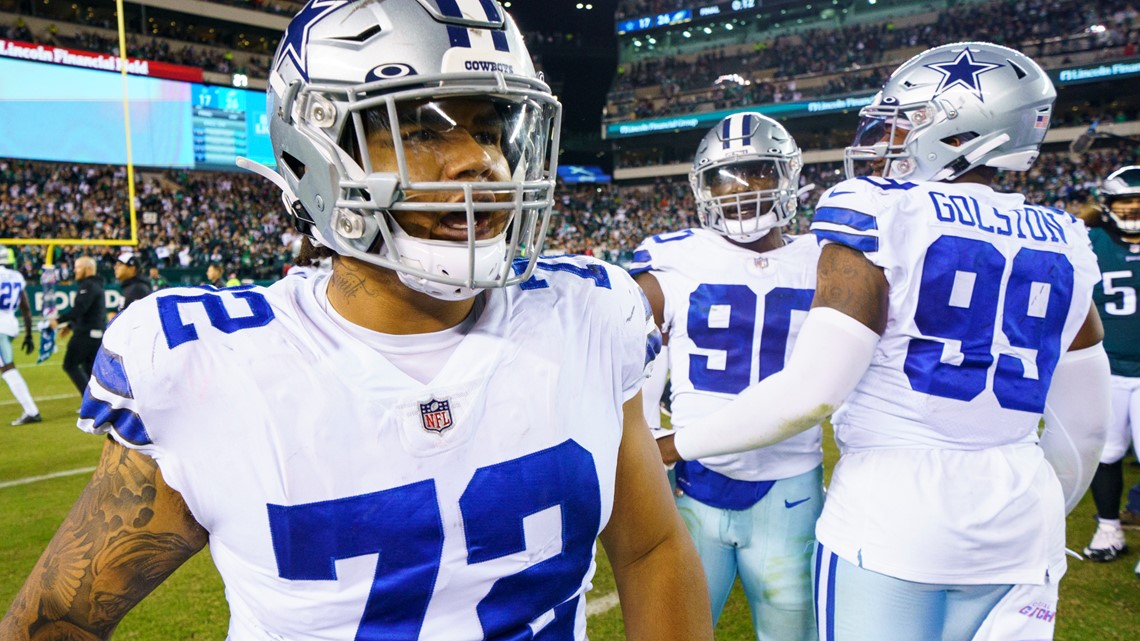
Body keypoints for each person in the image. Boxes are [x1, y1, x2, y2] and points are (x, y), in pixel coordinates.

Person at [0, 2, 714, 640]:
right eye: (425, 127)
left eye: (489, 127)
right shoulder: (208, 364)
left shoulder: (588, 312)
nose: (481, 161)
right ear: (318, 151)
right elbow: (60, 617)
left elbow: (651, 548)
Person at [657, 42, 1110, 641]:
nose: (885, 141)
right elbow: (1086, 429)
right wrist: (1024, 497)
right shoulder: (1067, 240)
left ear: (961, 131)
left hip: (893, 512)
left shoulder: (876, 210)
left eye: (905, 124)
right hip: (1024, 516)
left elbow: (812, 393)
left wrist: (672, 446)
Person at [630, 113, 822, 641]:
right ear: (702, 187)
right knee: (678, 629)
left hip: (789, 488)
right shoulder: (674, 259)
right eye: (724, 176)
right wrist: (644, 432)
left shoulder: (824, 260)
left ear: (786, 176)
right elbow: (622, 351)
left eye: (758, 171)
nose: (740, 188)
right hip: (696, 486)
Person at [1082, 165, 1140, 567]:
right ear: (1108, 204)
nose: (1133, 208)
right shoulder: (1089, 243)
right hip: (1107, 370)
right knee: (1106, 453)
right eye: (1125, 201)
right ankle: (1108, 529)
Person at [48, 255, 105, 395]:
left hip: (85, 333)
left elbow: (80, 309)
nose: (75, 270)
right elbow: (88, 311)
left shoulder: (88, 285)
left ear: (88, 268)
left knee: (70, 365)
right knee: (89, 369)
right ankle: (98, 402)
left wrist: (59, 321)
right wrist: (70, 326)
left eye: (78, 267)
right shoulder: (96, 285)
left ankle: (90, 402)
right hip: (96, 333)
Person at [0, 246, 41, 426]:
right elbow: (25, 307)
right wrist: (29, 335)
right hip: (10, 322)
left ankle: (32, 411)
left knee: (8, 368)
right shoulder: (16, 276)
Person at [110, 252, 152, 320]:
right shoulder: (129, 286)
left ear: (132, 268)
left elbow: (138, 320)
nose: (115, 267)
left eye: (120, 264)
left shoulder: (138, 288)